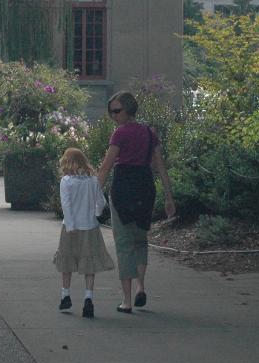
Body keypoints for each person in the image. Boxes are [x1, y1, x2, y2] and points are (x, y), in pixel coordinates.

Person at [96, 91, 176, 314]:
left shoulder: (120, 134)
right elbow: (160, 167)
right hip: (145, 187)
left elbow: (106, 166)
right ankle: (141, 285)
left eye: (116, 111)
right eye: (111, 111)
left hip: (123, 187)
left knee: (123, 244)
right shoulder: (150, 134)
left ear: (128, 109)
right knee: (140, 240)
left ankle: (127, 300)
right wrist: (169, 197)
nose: (113, 116)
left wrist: (94, 194)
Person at [52, 147, 115, 319]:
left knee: (67, 261)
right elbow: (100, 202)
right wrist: (95, 213)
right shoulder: (92, 180)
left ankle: (65, 295)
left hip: (71, 227)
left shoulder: (66, 181)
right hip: (90, 226)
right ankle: (88, 297)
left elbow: (66, 205)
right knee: (89, 263)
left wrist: (71, 225)